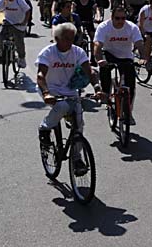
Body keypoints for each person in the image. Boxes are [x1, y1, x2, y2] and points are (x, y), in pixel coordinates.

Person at [35, 23, 103, 169]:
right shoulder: (48, 52)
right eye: (66, 38)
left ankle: (77, 159)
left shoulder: (78, 52)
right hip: (50, 89)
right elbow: (40, 76)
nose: (70, 42)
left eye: (72, 38)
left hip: (70, 91)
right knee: (62, 106)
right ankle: (45, 128)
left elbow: (89, 71)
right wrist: (46, 93)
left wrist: (97, 89)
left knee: (79, 123)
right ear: (57, 38)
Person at [94, 6, 145, 124]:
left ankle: (128, 112)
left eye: (123, 18)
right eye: (117, 18)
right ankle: (105, 94)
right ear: (112, 18)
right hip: (109, 54)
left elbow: (139, 43)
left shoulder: (131, 27)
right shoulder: (104, 27)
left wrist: (143, 57)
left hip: (126, 57)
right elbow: (97, 45)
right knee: (105, 69)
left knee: (130, 86)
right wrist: (99, 60)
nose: (120, 21)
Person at [0, 0, 32, 68]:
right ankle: (1, 50)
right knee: (0, 34)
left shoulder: (19, 0)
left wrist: (24, 22)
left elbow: (28, 11)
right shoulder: (4, 0)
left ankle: (21, 58)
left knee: (19, 42)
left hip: (19, 23)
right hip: (8, 21)